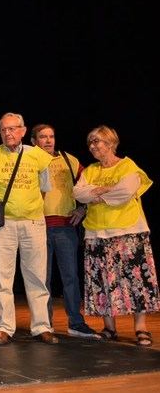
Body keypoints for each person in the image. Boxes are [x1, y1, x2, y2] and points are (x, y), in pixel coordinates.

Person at [73, 125, 159, 347]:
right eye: (90, 142)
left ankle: (141, 328)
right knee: (102, 281)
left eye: (97, 142)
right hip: (97, 233)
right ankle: (109, 327)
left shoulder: (127, 166)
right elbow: (78, 192)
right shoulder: (90, 170)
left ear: (111, 143)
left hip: (128, 232)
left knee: (136, 280)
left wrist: (98, 195)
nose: (92, 146)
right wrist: (95, 193)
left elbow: (125, 192)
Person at [0, 112, 58, 345]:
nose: (8, 133)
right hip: (2, 226)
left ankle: (42, 326)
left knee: (37, 276)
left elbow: (44, 188)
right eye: (3, 130)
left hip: (33, 223)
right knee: (2, 277)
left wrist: (28, 208)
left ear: (23, 131)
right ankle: (4, 327)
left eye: (12, 129)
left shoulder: (39, 156)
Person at [30, 124, 100, 339]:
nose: (49, 140)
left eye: (51, 136)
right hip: (36, 227)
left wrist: (83, 208)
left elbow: (90, 187)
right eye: (43, 137)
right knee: (43, 279)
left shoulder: (70, 160)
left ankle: (76, 323)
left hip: (64, 227)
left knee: (70, 276)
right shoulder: (28, 160)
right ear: (34, 141)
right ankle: (45, 325)